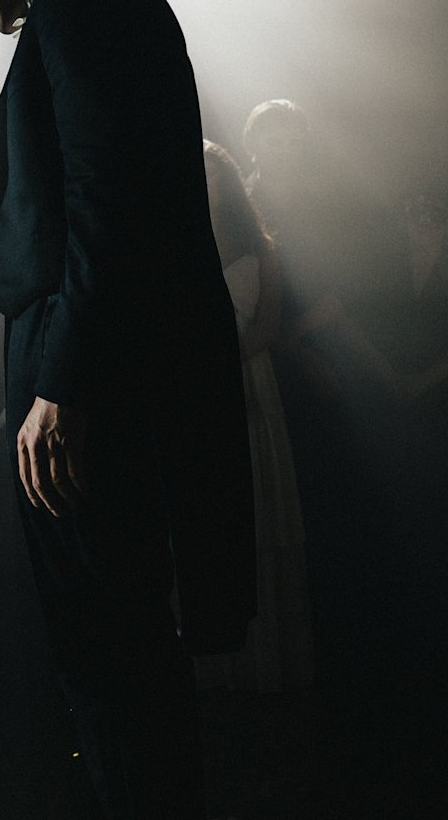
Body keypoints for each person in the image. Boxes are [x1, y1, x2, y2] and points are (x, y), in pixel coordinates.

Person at [0, 0, 254, 818]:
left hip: (95, 371)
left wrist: (61, 384)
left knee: (110, 637)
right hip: (96, 356)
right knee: (117, 639)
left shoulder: (83, 0)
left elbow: (110, 203)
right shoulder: (89, 0)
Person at [193, 142, 314, 695]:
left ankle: (268, 663)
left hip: (248, 381)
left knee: (260, 516)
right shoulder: (176, 243)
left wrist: (223, 365)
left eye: (213, 174)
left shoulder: (261, 247)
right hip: (194, 389)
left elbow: (267, 327)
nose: (204, 183)